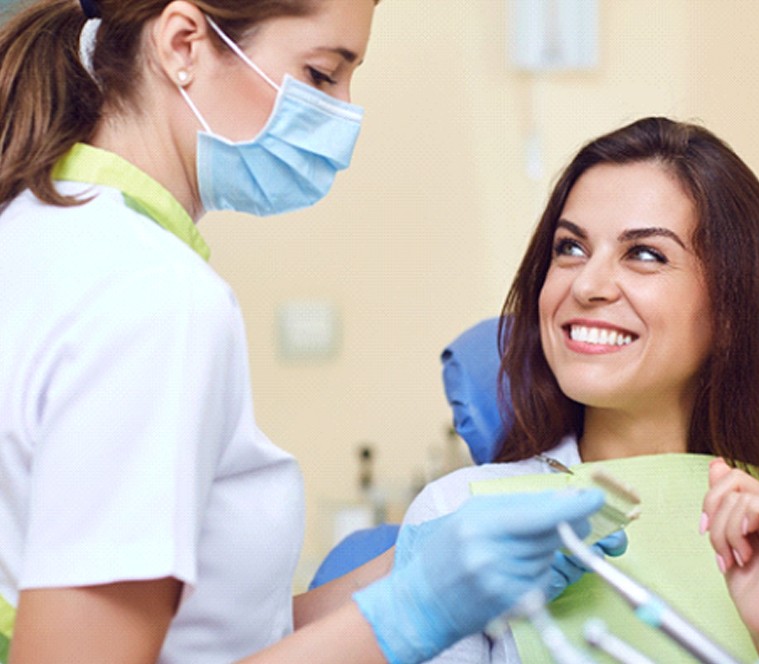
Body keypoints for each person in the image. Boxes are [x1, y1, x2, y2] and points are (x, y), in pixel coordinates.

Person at [0, 1, 626, 662]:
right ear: (184, 44)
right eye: (323, 75)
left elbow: (208, 637)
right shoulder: (156, 297)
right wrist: (415, 612)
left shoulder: (39, 236)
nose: (345, 117)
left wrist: (412, 569)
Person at [403, 117, 759, 663]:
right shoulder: (462, 518)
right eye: (570, 247)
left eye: (644, 254)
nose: (587, 285)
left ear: (730, 311)